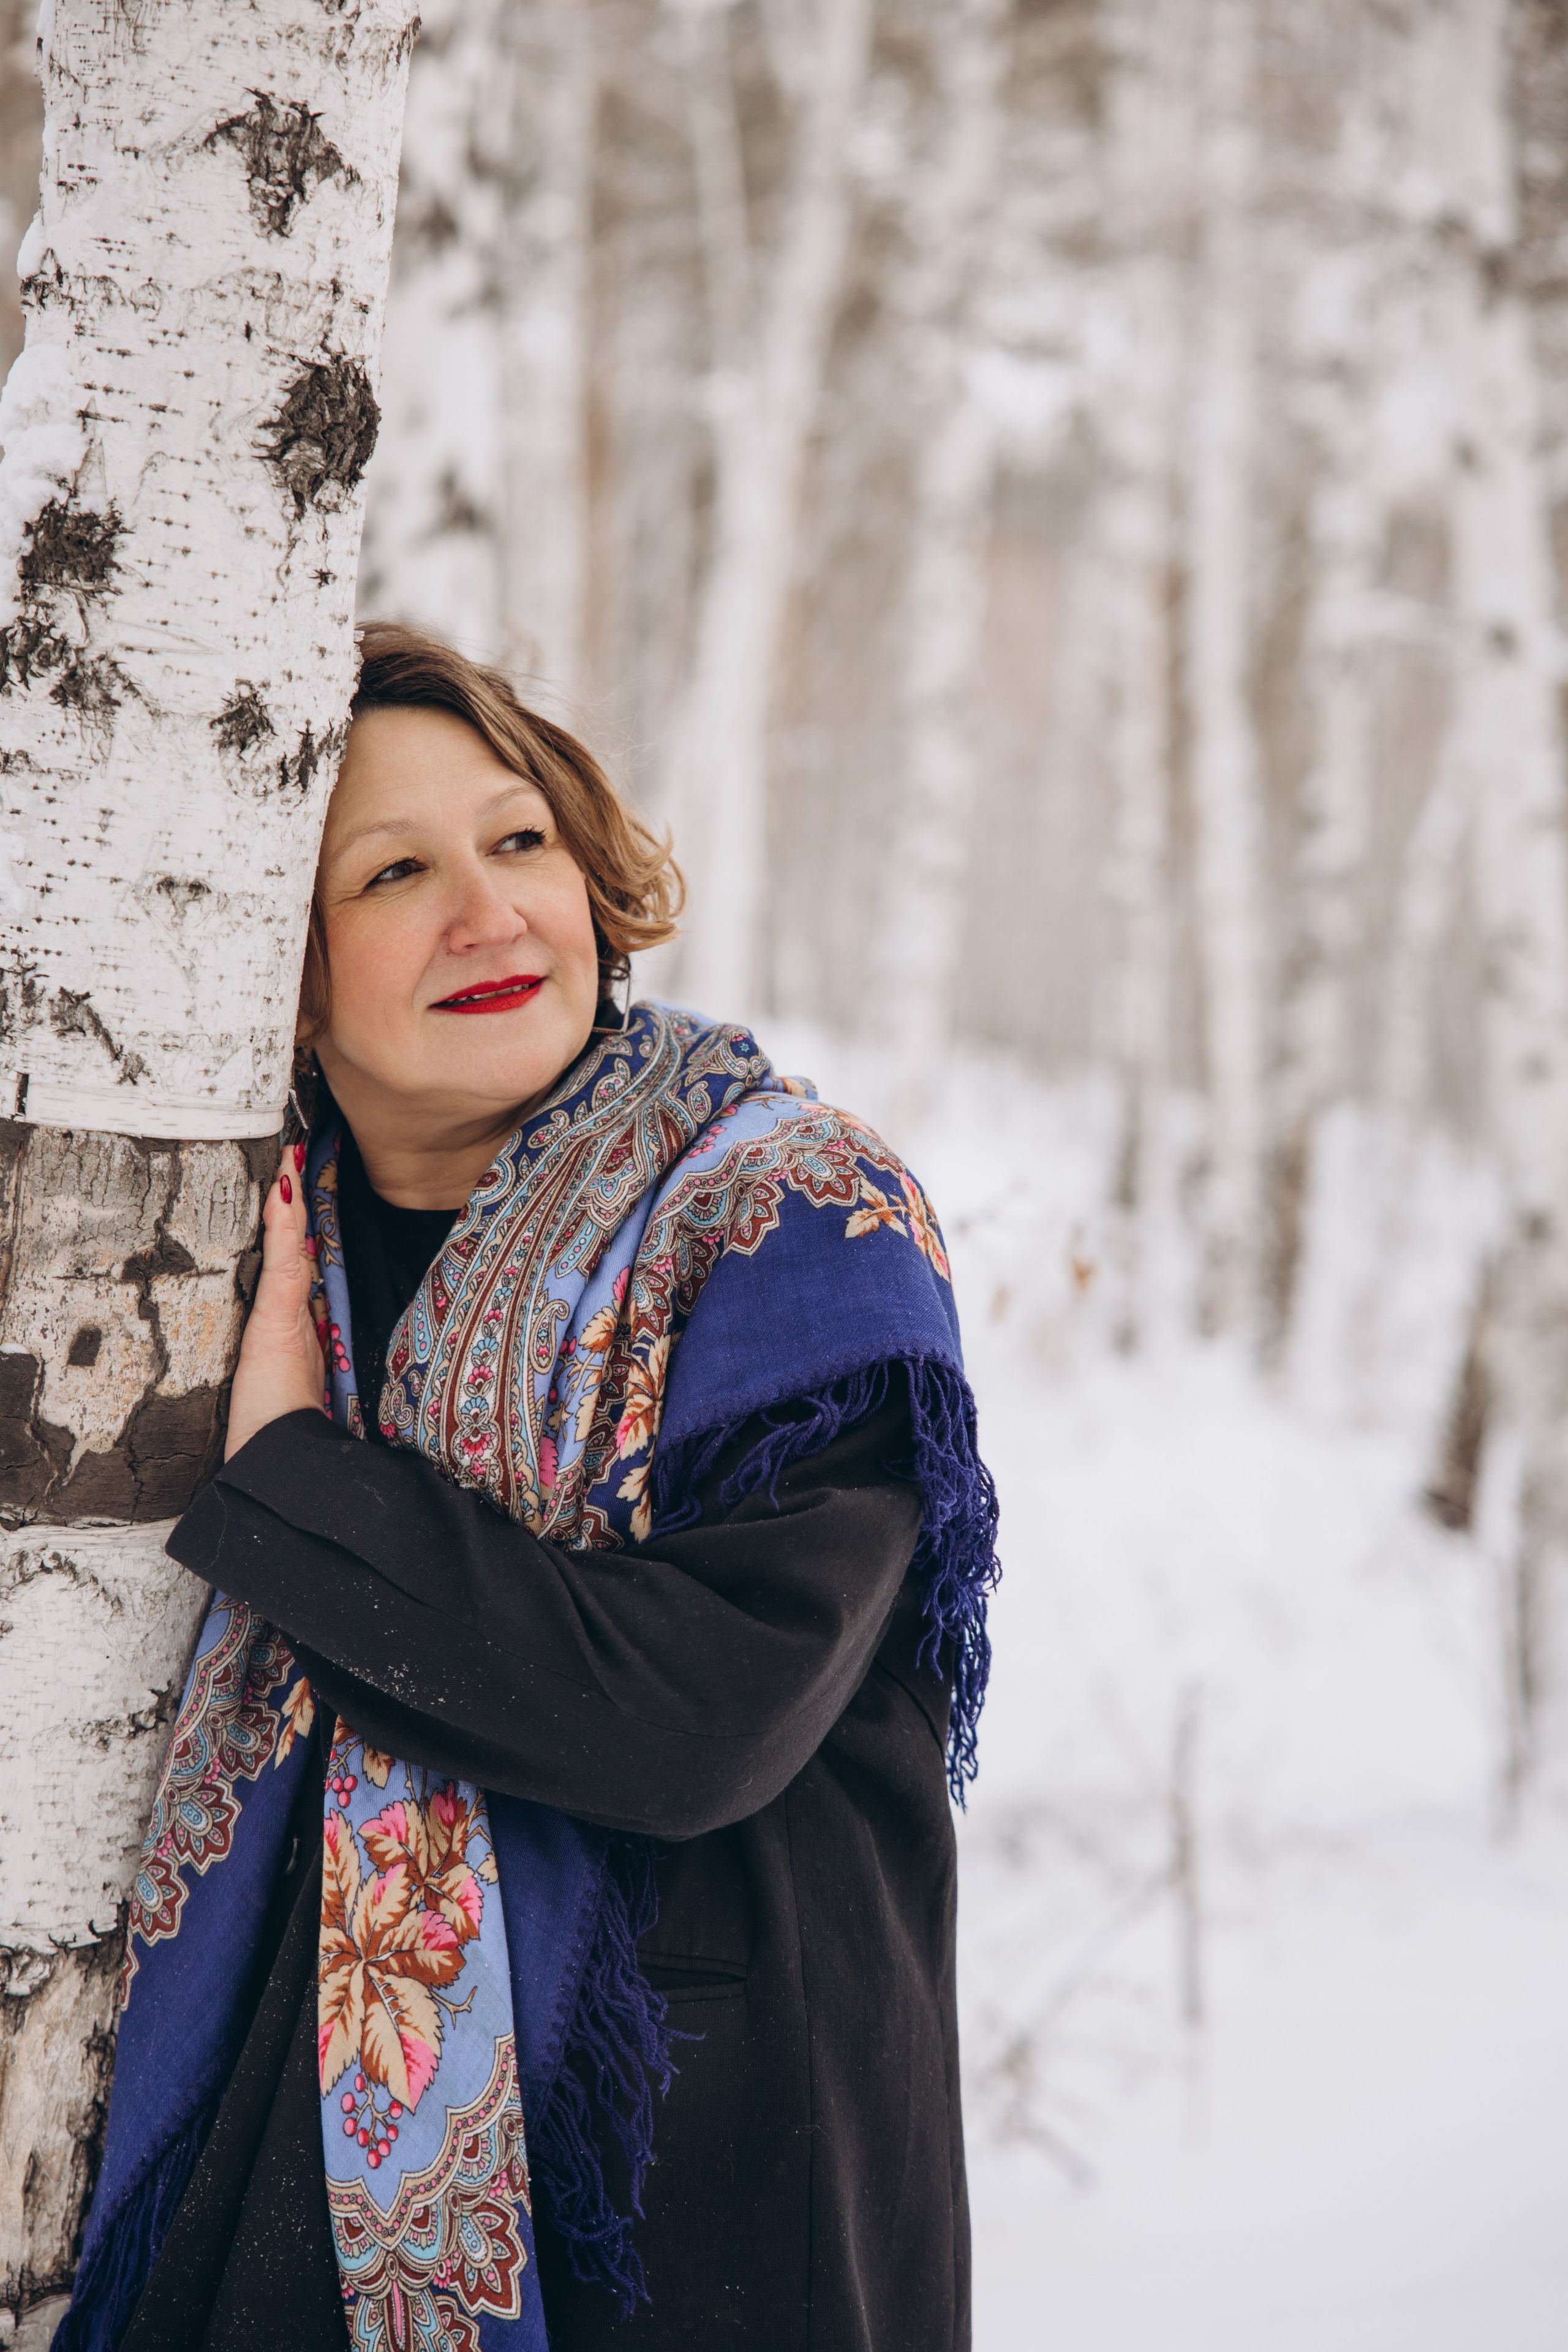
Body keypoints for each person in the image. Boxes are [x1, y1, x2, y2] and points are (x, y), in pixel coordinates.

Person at [56, 624, 998, 2352]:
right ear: (289, 963)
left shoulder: (796, 1227)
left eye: (519, 841)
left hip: (700, 2184)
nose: (488, 912)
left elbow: (697, 1717)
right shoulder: (201, 1272)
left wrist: (296, 1480)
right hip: (283, 2191)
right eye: (395, 871)